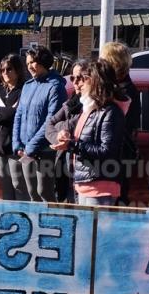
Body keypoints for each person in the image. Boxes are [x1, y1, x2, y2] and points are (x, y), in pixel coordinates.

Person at [49, 61, 126, 206]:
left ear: (96, 81)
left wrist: (72, 145)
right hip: (83, 184)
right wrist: (65, 134)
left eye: (83, 78)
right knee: (85, 229)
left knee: (96, 229)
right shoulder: (89, 109)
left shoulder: (110, 112)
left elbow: (107, 151)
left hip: (99, 186)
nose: (78, 83)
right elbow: (54, 124)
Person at [13, 46, 67, 202]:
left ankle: (54, 223)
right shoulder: (28, 85)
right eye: (28, 63)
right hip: (25, 149)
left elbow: (51, 121)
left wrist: (31, 147)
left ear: (43, 62)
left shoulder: (55, 86)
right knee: (32, 192)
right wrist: (17, 143)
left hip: (44, 150)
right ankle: (37, 225)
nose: (29, 66)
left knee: (44, 191)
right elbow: (19, 115)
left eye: (33, 62)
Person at [0, 53, 29, 201]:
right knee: (5, 187)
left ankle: (24, 219)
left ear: (18, 70)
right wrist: (4, 113)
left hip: (15, 148)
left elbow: (14, 114)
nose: (5, 73)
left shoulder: (24, 90)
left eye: (9, 69)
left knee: (19, 186)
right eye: (2, 70)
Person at [99, 41, 142, 205]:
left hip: (117, 158)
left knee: (114, 203)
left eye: (103, 60)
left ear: (112, 64)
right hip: (114, 158)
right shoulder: (116, 87)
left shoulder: (124, 92)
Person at [46, 59, 90, 204]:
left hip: (84, 170)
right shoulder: (69, 104)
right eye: (72, 78)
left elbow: (74, 123)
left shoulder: (92, 105)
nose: (75, 82)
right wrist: (59, 136)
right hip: (65, 168)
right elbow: (49, 125)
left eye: (80, 77)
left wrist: (62, 127)